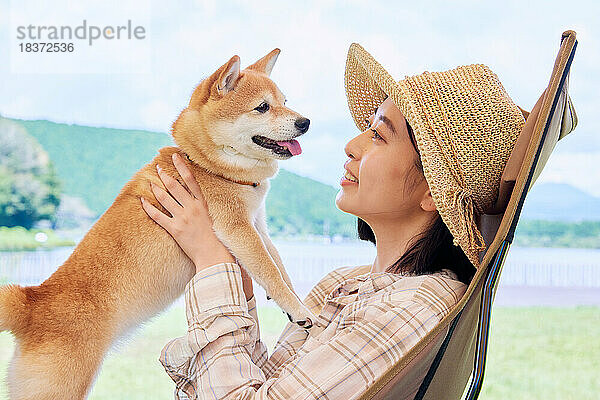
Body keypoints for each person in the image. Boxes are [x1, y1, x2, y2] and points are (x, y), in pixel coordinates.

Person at [140, 43, 525, 399]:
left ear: (433, 191)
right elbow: (262, 382)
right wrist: (238, 286)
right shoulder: (343, 285)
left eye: (378, 136)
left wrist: (211, 259)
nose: (352, 145)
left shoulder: (412, 306)